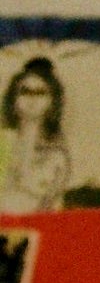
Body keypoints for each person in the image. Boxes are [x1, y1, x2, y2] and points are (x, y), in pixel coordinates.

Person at [1, 56, 72, 214]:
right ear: (13, 98)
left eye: (40, 93)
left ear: (52, 100)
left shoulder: (56, 156)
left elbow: (53, 206)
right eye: (25, 91)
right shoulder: (3, 143)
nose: (32, 99)